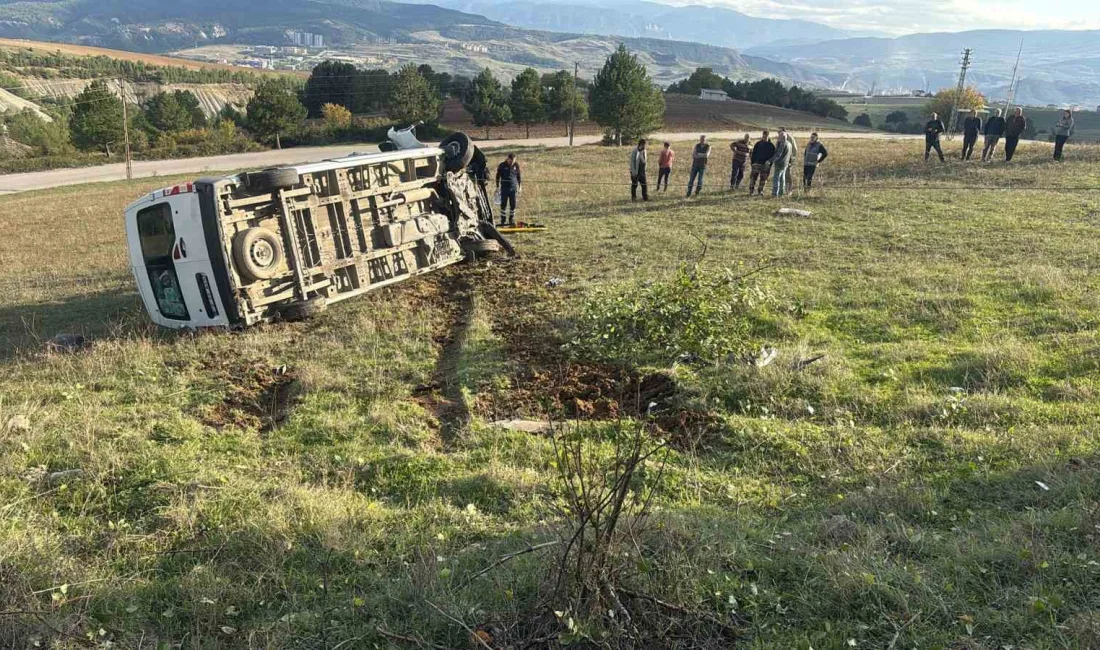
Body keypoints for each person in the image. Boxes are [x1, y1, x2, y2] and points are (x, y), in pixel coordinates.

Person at [495, 153, 521, 226]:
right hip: (504, 188)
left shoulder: (516, 165)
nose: (512, 162)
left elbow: (518, 176)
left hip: (513, 188)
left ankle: (511, 219)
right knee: (503, 204)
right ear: (508, 159)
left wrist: (520, 186)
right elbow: (498, 176)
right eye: (510, 161)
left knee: (513, 204)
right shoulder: (502, 165)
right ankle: (503, 220)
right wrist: (497, 186)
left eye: (513, 161)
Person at [748, 130, 775, 196]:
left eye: (766, 137)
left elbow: (773, 157)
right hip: (756, 164)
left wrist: (769, 165)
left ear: (768, 136)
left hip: (765, 166)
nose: (764, 138)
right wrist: (752, 163)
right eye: (763, 136)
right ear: (762, 136)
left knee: (763, 180)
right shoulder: (758, 144)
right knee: (753, 179)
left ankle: (760, 191)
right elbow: (753, 154)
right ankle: (751, 191)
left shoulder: (771, 146)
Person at [769, 131, 793, 198]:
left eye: (779, 136)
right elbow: (791, 155)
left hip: (779, 163)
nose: (778, 138)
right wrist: (789, 162)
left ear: (782, 137)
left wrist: (770, 161)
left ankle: (774, 194)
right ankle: (781, 193)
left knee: (776, 179)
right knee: (782, 178)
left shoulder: (783, 144)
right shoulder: (790, 144)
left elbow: (778, 155)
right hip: (785, 164)